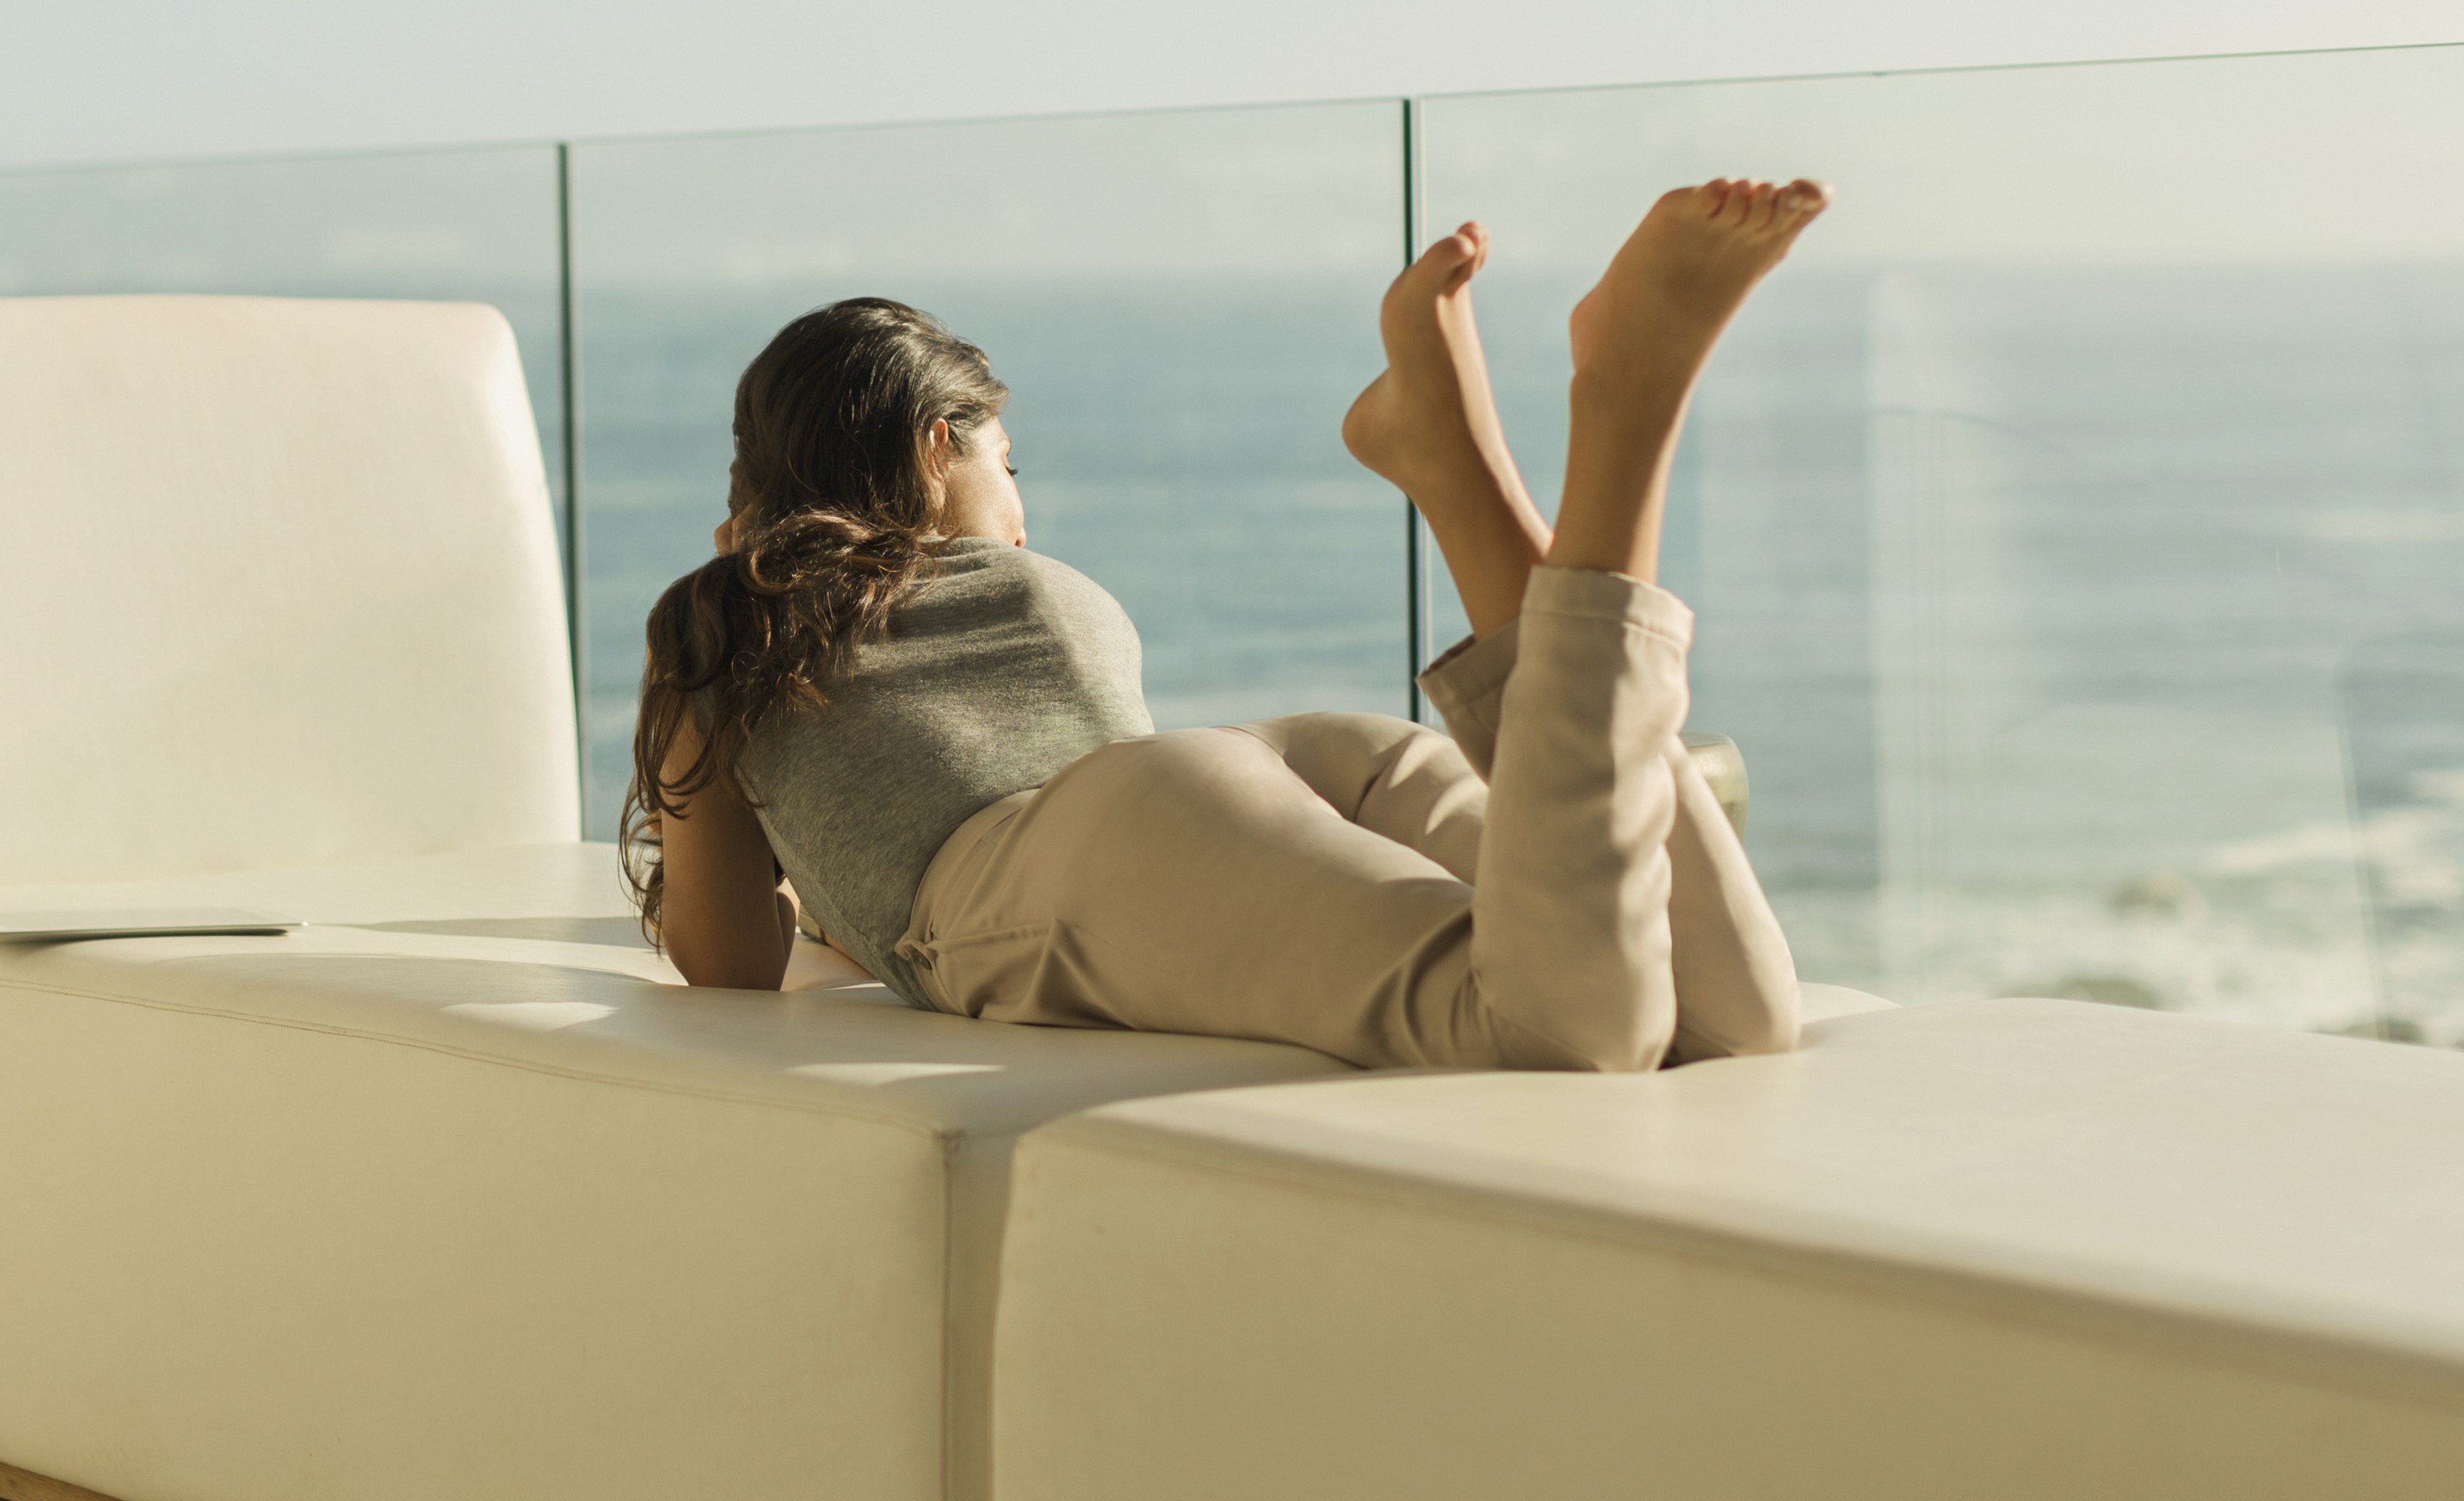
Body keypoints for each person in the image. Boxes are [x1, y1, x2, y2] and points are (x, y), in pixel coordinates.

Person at [622, 178, 1828, 1071]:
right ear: (936, 444)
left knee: (1556, 1026)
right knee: (1736, 1019)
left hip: (1105, 843)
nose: (1021, 507)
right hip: (1273, 765)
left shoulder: (722, 621)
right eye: (1011, 461)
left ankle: (1621, 407)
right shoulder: (971, 596)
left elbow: (724, 956)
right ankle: (1458, 472)